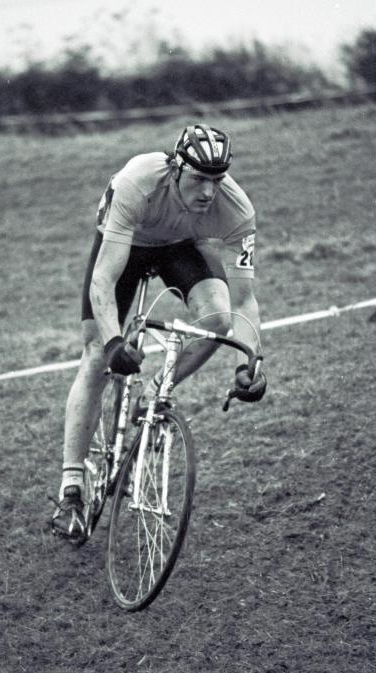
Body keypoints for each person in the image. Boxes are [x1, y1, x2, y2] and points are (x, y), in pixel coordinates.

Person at [52, 123, 267, 540]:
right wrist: (115, 342)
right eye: (199, 180)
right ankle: (72, 488)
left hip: (183, 245)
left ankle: (155, 391)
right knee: (96, 353)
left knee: (217, 321)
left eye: (217, 181)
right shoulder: (138, 182)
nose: (208, 192)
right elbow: (103, 281)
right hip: (126, 242)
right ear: (175, 169)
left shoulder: (237, 209)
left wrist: (251, 360)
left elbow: (243, 302)